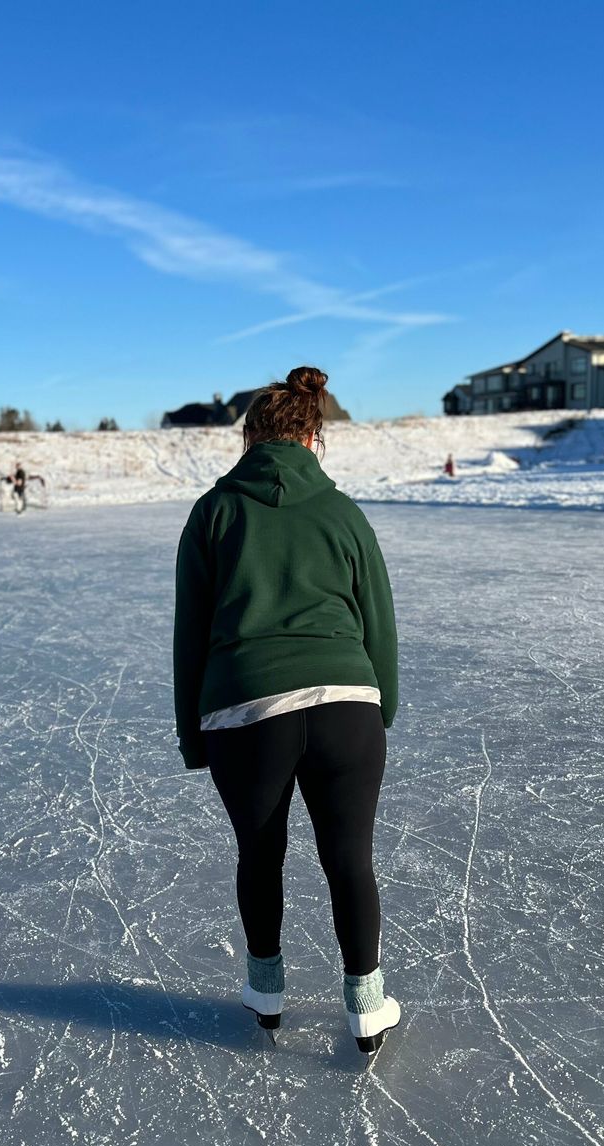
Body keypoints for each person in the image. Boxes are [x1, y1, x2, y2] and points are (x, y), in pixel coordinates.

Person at [173, 366, 401, 1054]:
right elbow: (379, 622)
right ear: (312, 437)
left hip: (246, 711)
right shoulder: (343, 513)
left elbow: (191, 634)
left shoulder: (214, 512)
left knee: (260, 855)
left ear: (249, 438)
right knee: (349, 859)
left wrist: (193, 735)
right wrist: (380, 707)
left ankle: (266, 993)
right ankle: (366, 1006)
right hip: (346, 707)